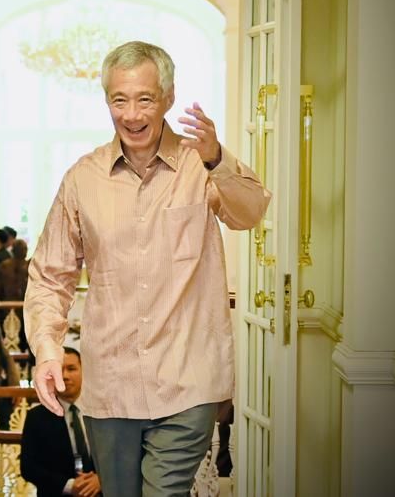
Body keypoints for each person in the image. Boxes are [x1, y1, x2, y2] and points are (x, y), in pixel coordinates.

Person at [24, 41, 270, 497]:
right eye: (120, 100)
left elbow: (250, 212)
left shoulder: (201, 164)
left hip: (187, 379)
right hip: (110, 384)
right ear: (106, 101)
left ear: (169, 98)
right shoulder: (83, 178)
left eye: (145, 99)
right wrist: (47, 350)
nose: (132, 114)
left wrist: (219, 159)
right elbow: (50, 275)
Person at [20, 347, 101, 497]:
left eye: (71, 369)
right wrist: (69, 486)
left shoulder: (103, 411)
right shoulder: (36, 417)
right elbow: (28, 467)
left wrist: (102, 479)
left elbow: (121, 456)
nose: (64, 376)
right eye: (56, 371)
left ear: (84, 370)